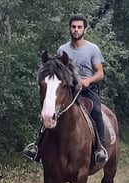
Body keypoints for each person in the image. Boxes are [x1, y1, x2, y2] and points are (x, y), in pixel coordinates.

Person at [23, 14, 109, 164]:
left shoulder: (92, 49)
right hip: (67, 89)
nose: (76, 30)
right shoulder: (63, 49)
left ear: (85, 30)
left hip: (87, 90)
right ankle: (37, 147)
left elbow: (100, 73)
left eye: (79, 27)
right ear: (69, 28)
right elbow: (56, 72)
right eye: (73, 27)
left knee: (95, 110)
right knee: (49, 110)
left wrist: (87, 81)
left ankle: (100, 148)